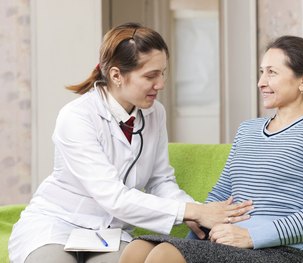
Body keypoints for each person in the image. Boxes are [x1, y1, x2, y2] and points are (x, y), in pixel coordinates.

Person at [8, 23, 253, 263]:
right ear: (116, 75)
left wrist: (195, 210)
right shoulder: (77, 117)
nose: (161, 84)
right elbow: (112, 196)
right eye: (150, 76)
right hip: (57, 224)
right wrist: (193, 212)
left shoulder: (155, 113)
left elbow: (160, 181)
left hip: (109, 234)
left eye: (162, 73)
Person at [119, 35, 303, 263]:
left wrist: (251, 236)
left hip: (282, 251)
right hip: (227, 244)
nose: (261, 82)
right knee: (137, 249)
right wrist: (198, 237)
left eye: (272, 72)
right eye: (261, 72)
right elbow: (222, 194)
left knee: (164, 255)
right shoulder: (248, 129)